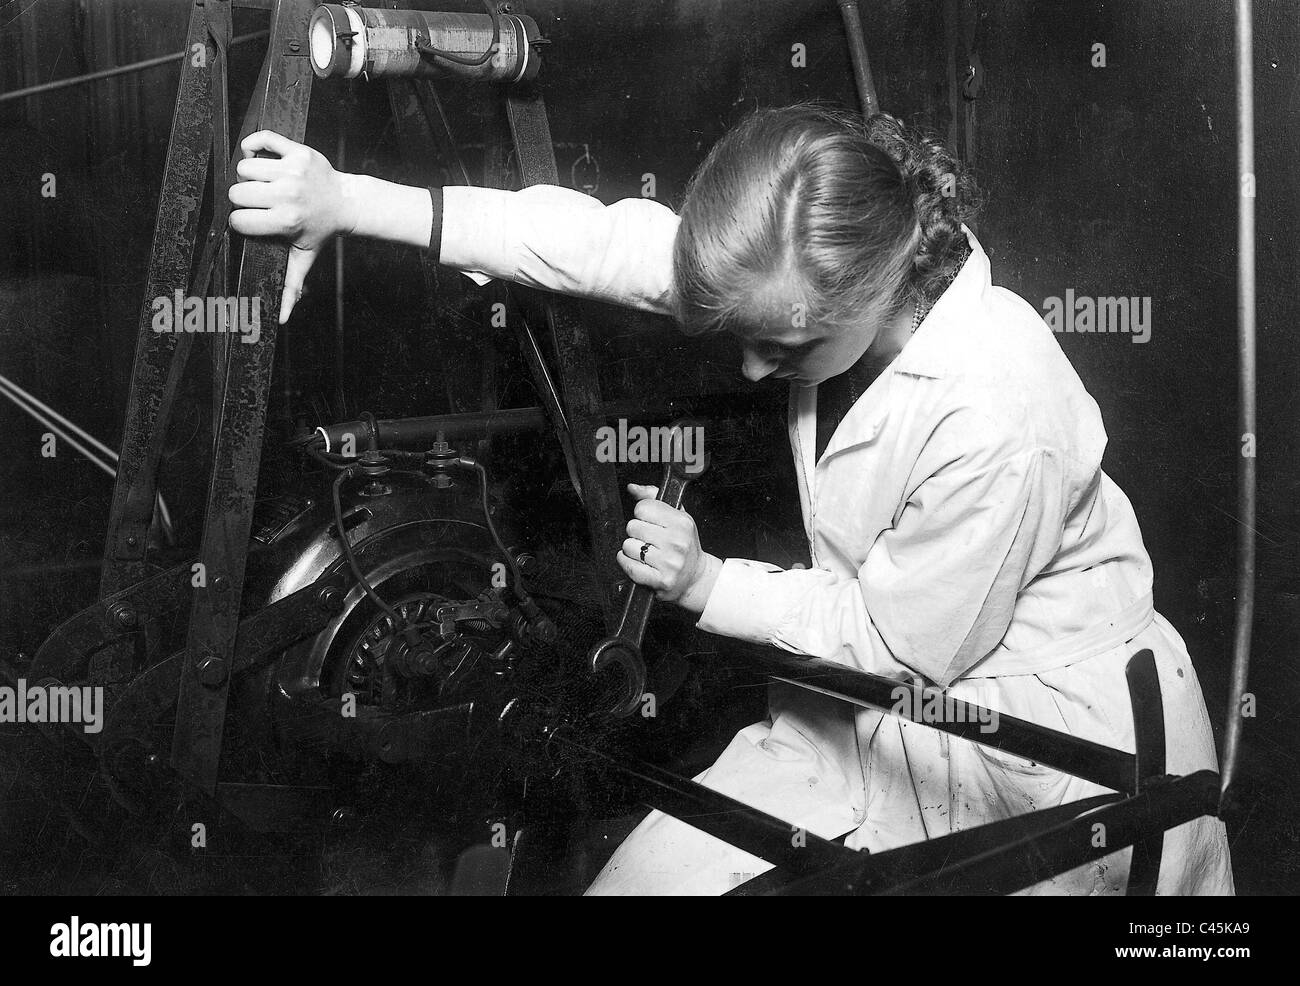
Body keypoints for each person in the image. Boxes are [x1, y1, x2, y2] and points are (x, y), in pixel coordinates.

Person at [229, 103, 1234, 896]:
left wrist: (709, 581)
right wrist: (349, 200)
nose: (753, 371)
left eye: (781, 348)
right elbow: (604, 245)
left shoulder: (998, 412)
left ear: (871, 288)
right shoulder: (810, 266)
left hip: (1047, 745)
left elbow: (902, 647)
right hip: (857, 704)